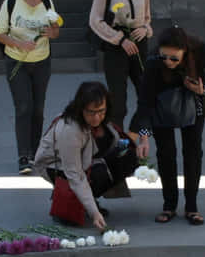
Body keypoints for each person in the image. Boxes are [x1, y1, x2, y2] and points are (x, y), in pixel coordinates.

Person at [132, 27, 205, 225]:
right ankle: (169, 205)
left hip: (194, 104)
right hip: (162, 108)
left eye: (174, 59)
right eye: (164, 57)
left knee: (192, 153)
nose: (168, 62)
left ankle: (191, 206)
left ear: (185, 51)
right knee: (166, 154)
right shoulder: (153, 61)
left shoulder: (199, 49)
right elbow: (144, 101)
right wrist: (143, 136)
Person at [34, 81, 137, 230]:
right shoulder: (70, 130)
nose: (96, 118)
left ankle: (86, 199)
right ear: (80, 108)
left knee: (128, 157)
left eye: (101, 111)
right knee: (99, 173)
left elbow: (128, 134)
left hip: (87, 160)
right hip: (58, 167)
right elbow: (75, 175)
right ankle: (69, 201)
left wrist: (142, 139)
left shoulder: (104, 120)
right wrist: (94, 213)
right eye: (91, 112)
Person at [0, 0, 60, 175]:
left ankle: (36, 152)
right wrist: (19, 44)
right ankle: (24, 156)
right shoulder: (10, 3)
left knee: (38, 109)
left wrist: (53, 33)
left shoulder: (47, 1)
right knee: (24, 108)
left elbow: (55, 28)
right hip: (17, 61)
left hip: (42, 61)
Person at [89, 0, 154, 129]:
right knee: (118, 102)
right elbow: (95, 19)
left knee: (147, 96)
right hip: (116, 44)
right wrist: (120, 39)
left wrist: (145, 29)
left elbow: (148, 18)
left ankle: (139, 139)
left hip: (139, 42)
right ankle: (118, 145)